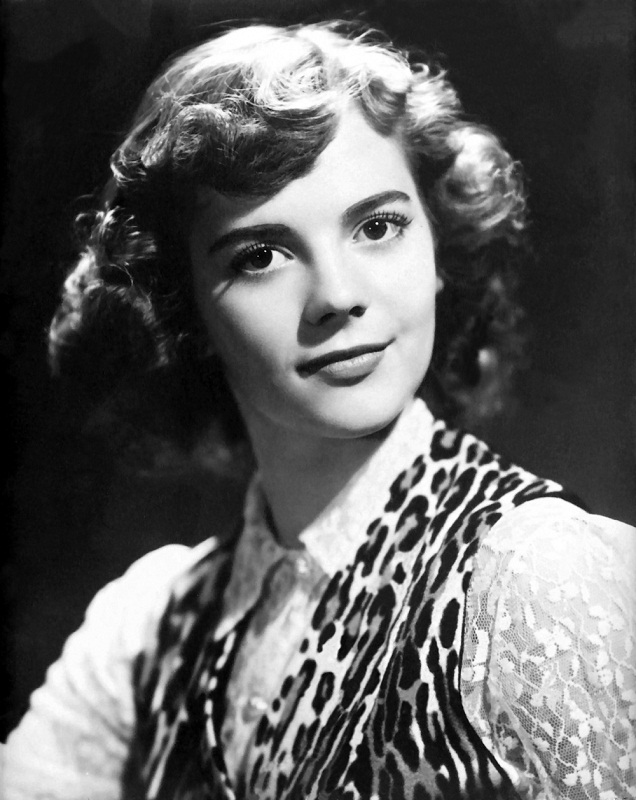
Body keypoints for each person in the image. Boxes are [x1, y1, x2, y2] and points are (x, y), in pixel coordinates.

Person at [3, 20, 635, 800]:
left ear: (438, 248)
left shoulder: (542, 575)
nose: (337, 295)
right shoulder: (150, 630)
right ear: (179, 309)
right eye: (261, 255)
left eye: (378, 226)